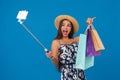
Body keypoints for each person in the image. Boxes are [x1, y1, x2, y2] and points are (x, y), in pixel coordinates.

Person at [46, 15, 93, 80]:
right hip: (67, 76)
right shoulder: (56, 42)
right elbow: (56, 63)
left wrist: (88, 25)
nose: (65, 27)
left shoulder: (75, 40)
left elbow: (89, 36)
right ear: (60, 27)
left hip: (80, 74)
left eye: (68, 26)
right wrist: (51, 57)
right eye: (63, 25)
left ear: (71, 29)